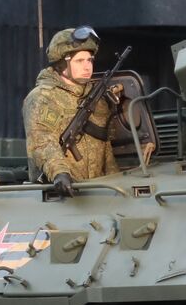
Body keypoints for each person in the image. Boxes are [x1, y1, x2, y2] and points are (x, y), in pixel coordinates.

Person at [23, 27, 121, 195]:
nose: (87, 66)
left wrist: (117, 183)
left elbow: (106, 148)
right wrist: (59, 173)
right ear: (62, 64)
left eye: (89, 60)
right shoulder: (44, 97)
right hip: (61, 191)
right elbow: (42, 140)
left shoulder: (96, 97)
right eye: (79, 61)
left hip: (98, 190)